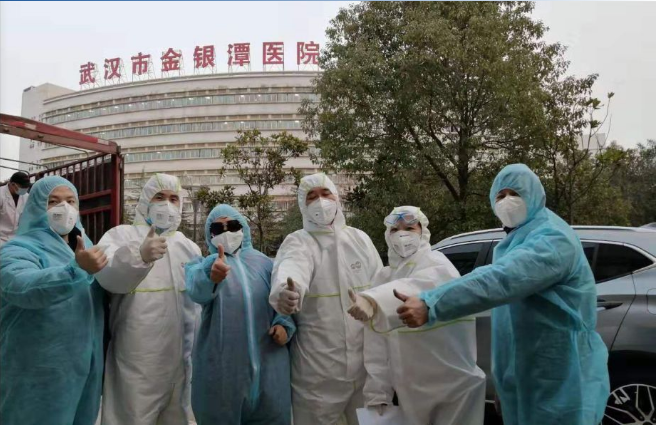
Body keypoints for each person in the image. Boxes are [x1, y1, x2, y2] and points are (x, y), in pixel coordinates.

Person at [395, 164, 610, 425]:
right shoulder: (516, 240)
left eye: (515, 193)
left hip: (561, 376)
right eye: (500, 195)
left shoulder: (553, 238)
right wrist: (505, 384)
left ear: (535, 195)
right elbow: (509, 326)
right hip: (528, 379)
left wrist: (432, 303)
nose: (507, 201)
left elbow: (500, 279)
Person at [347, 206, 486, 425]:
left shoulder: (438, 264)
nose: (402, 235)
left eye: (410, 228)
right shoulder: (383, 277)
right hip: (411, 391)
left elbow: (424, 285)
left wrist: (374, 301)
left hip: (454, 387)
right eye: (395, 230)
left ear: (423, 232)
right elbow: (376, 345)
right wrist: (377, 394)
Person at [269, 173, 383, 425]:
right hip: (318, 371)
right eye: (311, 197)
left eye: (325, 193)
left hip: (365, 366)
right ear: (303, 206)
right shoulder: (299, 242)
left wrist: (374, 301)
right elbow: (292, 267)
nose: (320, 201)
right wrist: (286, 292)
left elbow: (381, 284)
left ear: (336, 197)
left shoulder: (360, 239)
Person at [94, 173, 201, 425]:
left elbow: (198, 300)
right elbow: (107, 278)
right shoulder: (121, 235)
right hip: (137, 359)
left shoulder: (188, 246)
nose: (167, 204)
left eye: (173, 199)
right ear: (145, 201)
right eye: (159, 197)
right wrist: (138, 256)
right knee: (131, 417)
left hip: (180, 361)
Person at [0, 176, 107, 425]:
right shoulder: (18, 249)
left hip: (83, 370)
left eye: (71, 201)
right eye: (53, 201)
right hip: (37, 371)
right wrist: (74, 271)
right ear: (36, 206)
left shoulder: (86, 248)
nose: (64, 208)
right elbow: (21, 287)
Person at [185, 204, 296, 425]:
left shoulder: (265, 264)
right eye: (218, 228)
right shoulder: (204, 265)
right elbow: (197, 291)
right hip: (222, 376)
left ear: (243, 228)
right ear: (210, 235)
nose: (226, 232)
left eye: (233, 225)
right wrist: (211, 276)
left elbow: (280, 302)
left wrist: (284, 325)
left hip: (270, 371)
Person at [0, 171, 31, 248]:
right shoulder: (1, 194)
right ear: (13, 184)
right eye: (22, 187)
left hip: (18, 237)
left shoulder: (26, 197)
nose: (24, 190)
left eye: (26, 187)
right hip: (1, 237)